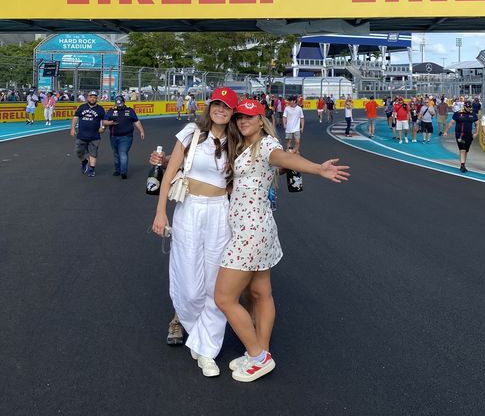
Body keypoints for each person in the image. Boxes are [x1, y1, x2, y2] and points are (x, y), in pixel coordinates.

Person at [214, 98, 349, 381]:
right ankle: (261, 352)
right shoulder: (245, 146)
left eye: (249, 117)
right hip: (255, 226)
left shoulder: (266, 145)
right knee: (260, 293)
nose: (243, 121)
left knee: (224, 297)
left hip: (252, 231)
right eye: (240, 117)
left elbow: (285, 158)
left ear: (262, 120)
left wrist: (317, 169)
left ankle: (257, 355)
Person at [151, 87, 239, 378]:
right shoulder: (191, 132)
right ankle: (193, 329)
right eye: (217, 104)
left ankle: (207, 350)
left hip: (219, 212)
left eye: (226, 107)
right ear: (210, 106)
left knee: (216, 284)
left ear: (232, 112)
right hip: (189, 209)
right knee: (188, 283)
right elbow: (168, 174)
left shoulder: (236, 141)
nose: (220, 110)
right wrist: (161, 212)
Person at [103, 95, 145, 179]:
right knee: (116, 153)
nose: (119, 105)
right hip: (114, 136)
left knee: (122, 152)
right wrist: (111, 122)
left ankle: (123, 172)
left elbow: (136, 121)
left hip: (126, 136)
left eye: (120, 103)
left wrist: (141, 131)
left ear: (124, 102)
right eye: (117, 103)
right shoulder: (111, 111)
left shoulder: (130, 111)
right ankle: (117, 170)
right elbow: (104, 121)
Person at [71, 91, 106, 178]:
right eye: (91, 97)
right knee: (78, 152)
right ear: (87, 98)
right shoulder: (82, 107)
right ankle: (84, 161)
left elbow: (104, 121)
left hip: (94, 136)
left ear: (96, 98)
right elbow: (75, 117)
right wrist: (72, 128)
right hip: (81, 135)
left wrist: (103, 128)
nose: (92, 98)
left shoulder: (100, 109)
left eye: (94, 97)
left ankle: (92, 169)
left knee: (93, 153)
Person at [445, 101, 479, 172]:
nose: (469, 108)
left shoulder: (473, 114)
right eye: (468, 107)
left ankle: (463, 164)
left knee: (466, 150)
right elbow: (451, 122)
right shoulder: (458, 113)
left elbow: (477, 123)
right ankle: (462, 165)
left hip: (469, 135)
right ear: (464, 107)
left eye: (470, 107)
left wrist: (476, 132)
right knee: (462, 150)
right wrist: (446, 131)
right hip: (460, 134)